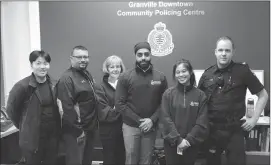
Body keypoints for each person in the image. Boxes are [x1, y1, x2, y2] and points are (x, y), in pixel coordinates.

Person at [198, 36, 269, 165]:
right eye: (220, 50)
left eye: (227, 50)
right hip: (212, 130)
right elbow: (199, 103)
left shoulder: (242, 71)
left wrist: (254, 119)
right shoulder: (207, 74)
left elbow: (263, 95)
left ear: (233, 52)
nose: (223, 54)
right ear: (215, 52)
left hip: (234, 131)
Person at [115, 42, 168, 165]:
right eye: (140, 55)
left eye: (146, 54)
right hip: (130, 127)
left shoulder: (160, 77)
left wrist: (151, 120)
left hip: (151, 127)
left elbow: (164, 103)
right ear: (135, 56)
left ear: (150, 55)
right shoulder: (125, 77)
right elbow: (119, 104)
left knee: (146, 160)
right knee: (131, 159)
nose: (143, 57)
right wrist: (140, 121)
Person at [6, 50, 61, 165]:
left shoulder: (53, 84)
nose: (42, 67)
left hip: (51, 137)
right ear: (31, 65)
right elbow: (11, 110)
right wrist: (24, 125)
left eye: (45, 63)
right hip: (32, 138)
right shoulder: (22, 86)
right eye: (38, 63)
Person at [159, 59, 209, 165]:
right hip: (171, 144)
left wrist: (188, 140)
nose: (181, 74)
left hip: (191, 144)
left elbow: (202, 122)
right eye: (178, 72)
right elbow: (165, 119)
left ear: (190, 72)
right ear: (175, 75)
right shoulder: (168, 94)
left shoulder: (200, 95)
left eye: (184, 71)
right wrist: (178, 140)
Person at [56, 45, 98, 165]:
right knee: (75, 161)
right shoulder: (66, 78)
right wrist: (79, 131)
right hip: (76, 131)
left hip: (89, 128)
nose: (83, 60)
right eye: (79, 57)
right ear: (71, 58)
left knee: (86, 161)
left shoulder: (86, 74)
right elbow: (66, 108)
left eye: (85, 57)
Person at [95, 55, 126, 165]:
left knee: (123, 158)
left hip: (125, 129)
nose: (115, 69)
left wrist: (115, 107)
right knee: (110, 159)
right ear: (107, 69)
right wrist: (121, 107)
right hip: (108, 130)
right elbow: (104, 111)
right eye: (112, 67)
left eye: (118, 66)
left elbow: (131, 106)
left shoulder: (125, 85)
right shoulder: (99, 87)